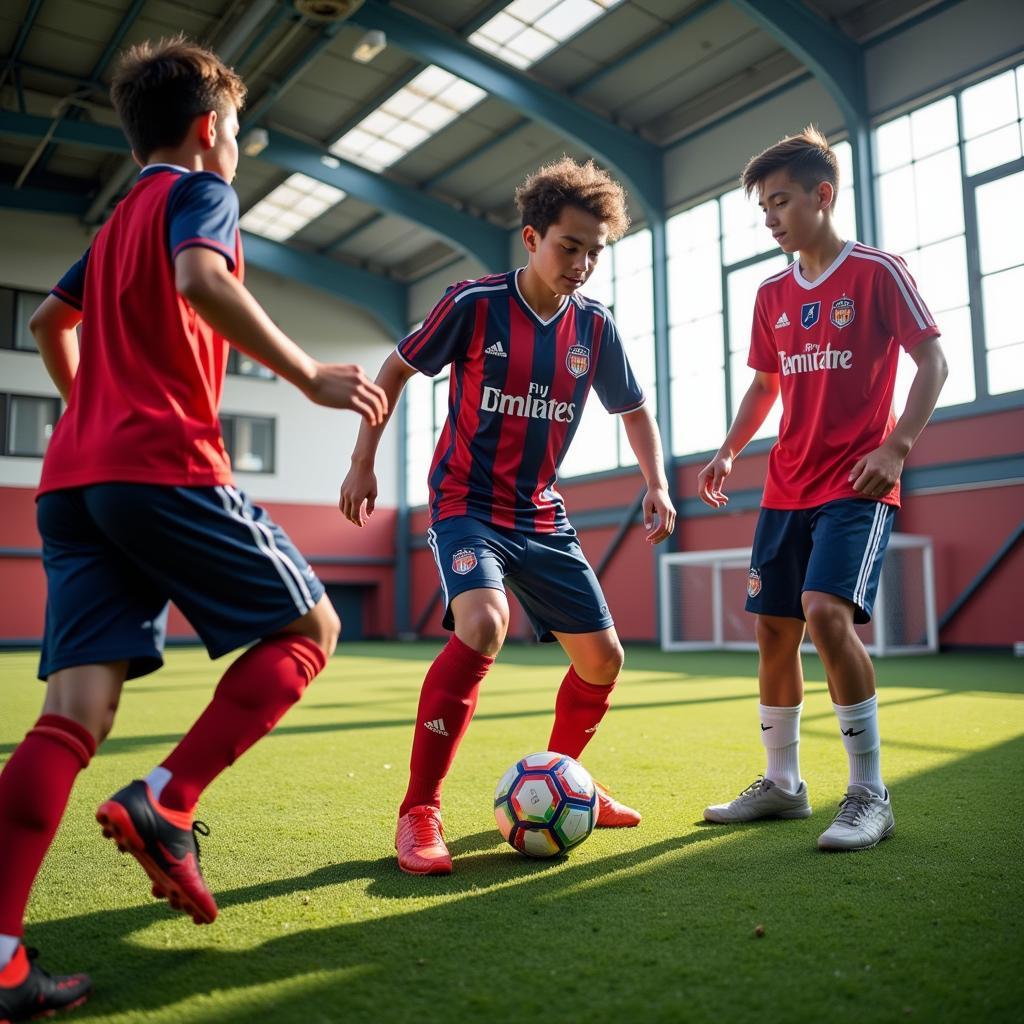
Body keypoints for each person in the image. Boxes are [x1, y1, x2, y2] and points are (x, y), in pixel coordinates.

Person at [0, 36, 387, 1020]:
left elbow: (49, 325)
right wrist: (310, 376)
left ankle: (0, 953)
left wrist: (92, 412)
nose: (238, 151)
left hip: (71, 486)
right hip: (157, 467)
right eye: (240, 134)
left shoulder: (114, 218)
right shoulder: (198, 192)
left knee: (72, 715)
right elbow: (203, 282)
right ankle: (169, 799)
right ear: (211, 130)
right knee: (313, 629)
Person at [340, 157, 676, 876]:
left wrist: (657, 482)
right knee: (485, 623)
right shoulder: (474, 304)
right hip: (466, 505)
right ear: (532, 237)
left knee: (603, 659)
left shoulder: (595, 328)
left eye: (594, 251)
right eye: (569, 246)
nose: (581, 264)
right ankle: (419, 809)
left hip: (541, 514)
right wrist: (364, 459)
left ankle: (567, 781)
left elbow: (634, 409)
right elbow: (396, 370)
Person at [697, 126, 947, 851]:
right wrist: (729, 449)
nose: (770, 217)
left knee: (824, 614)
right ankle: (784, 784)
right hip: (784, 488)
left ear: (822, 195)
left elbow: (932, 363)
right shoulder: (771, 293)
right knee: (775, 631)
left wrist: (895, 447)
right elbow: (766, 383)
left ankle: (870, 793)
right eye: (763, 207)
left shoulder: (878, 272)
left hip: (855, 485)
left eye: (780, 202)